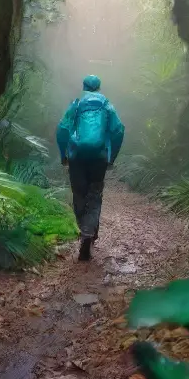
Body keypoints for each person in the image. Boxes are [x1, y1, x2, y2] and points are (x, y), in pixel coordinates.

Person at [56, 75, 125, 261]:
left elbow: (63, 129)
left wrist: (63, 154)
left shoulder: (77, 104)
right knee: (94, 194)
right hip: (99, 158)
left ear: (84, 87)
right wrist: (112, 156)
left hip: (76, 157)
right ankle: (88, 232)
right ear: (99, 87)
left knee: (79, 194)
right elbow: (118, 130)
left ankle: (84, 230)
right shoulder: (107, 105)